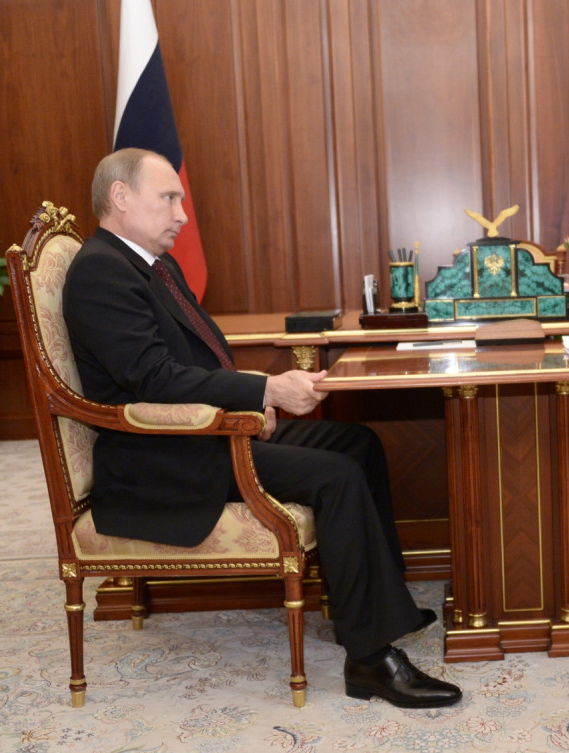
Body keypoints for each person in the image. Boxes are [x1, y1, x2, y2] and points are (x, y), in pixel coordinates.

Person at [63, 147, 461, 708]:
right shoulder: (100, 271)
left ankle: (380, 607)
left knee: (359, 443)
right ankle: (371, 661)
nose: (181, 214)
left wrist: (253, 402)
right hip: (163, 454)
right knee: (336, 476)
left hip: (209, 430)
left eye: (180, 199)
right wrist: (265, 392)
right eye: (168, 198)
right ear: (121, 197)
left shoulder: (153, 264)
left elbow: (199, 361)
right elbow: (152, 378)